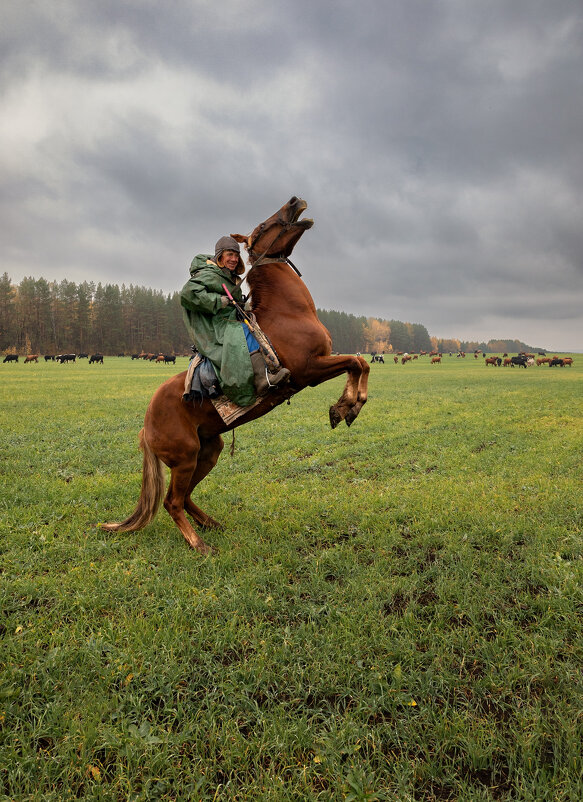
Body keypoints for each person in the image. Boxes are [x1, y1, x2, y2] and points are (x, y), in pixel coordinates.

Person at [180, 236, 290, 407]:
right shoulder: (209, 274)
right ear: (220, 256)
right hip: (215, 326)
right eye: (229, 255)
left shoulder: (228, 276)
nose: (233, 259)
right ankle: (261, 379)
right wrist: (218, 301)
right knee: (244, 332)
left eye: (236, 255)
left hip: (227, 320)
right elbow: (188, 294)